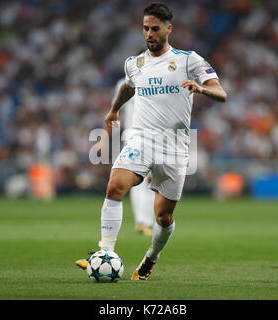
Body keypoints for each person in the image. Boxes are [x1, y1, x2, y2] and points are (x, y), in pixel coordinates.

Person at [75, 2, 227, 280]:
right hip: (141, 139)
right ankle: (105, 252)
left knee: (163, 218)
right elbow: (128, 87)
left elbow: (222, 93)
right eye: (145, 28)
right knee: (114, 186)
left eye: (155, 28)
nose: (149, 33)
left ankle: (151, 257)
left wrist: (200, 88)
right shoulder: (135, 64)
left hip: (174, 148)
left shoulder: (188, 60)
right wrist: (114, 109)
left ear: (168, 29)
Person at [115, 77, 155, 237]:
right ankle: (148, 222)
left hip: (131, 134)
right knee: (151, 181)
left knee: (137, 181)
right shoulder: (157, 79)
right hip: (150, 135)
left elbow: (117, 109)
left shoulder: (123, 82)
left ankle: (141, 221)